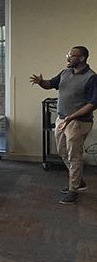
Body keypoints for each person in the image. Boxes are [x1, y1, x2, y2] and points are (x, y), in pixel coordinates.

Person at [30, 46, 97, 204]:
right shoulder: (65, 73)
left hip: (78, 122)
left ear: (81, 58)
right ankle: (78, 180)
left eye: (71, 55)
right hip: (62, 120)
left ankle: (74, 190)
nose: (67, 58)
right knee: (62, 151)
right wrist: (40, 82)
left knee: (74, 156)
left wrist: (72, 116)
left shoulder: (91, 77)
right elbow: (50, 84)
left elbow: (93, 103)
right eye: (67, 54)